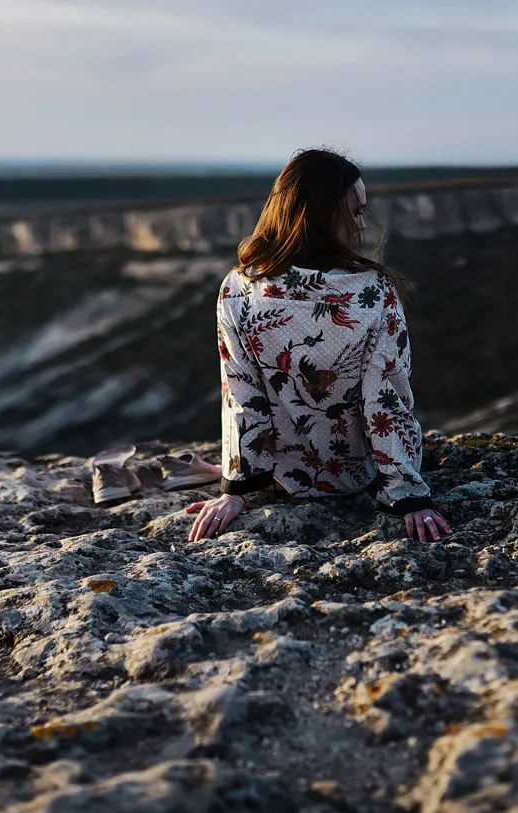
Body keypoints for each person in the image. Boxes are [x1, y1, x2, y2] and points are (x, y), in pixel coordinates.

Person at [187, 149, 451, 543]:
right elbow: (386, 400)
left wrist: (237, 489)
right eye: (355, 210)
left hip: (278, 478)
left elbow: (242, 395)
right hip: (354, 477)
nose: (362, 223)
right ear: (325, 215)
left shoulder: (238, 288)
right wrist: (406, 494)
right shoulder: (372, 292)